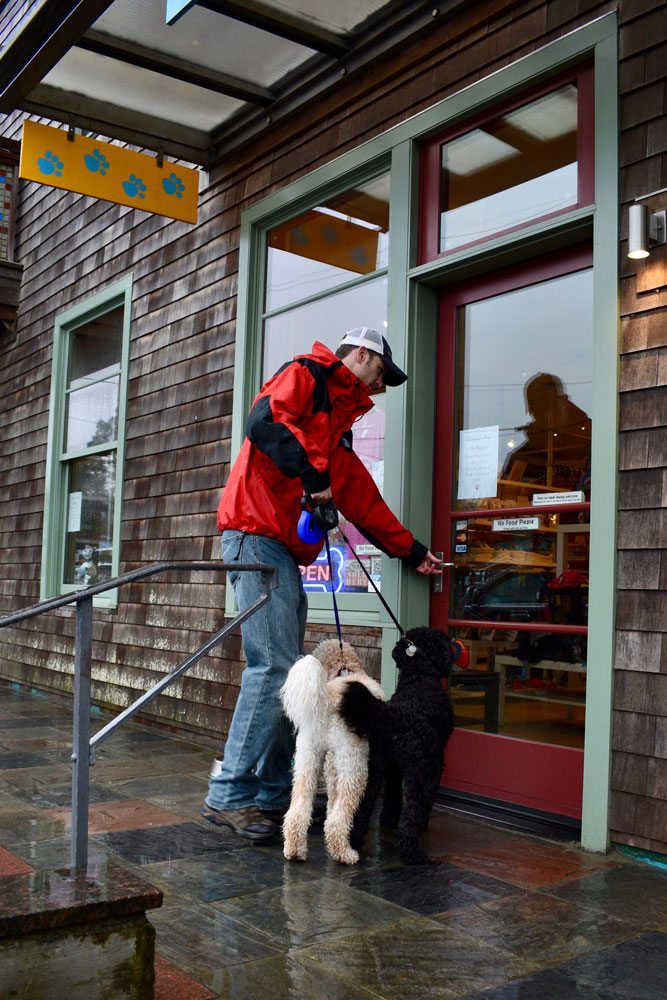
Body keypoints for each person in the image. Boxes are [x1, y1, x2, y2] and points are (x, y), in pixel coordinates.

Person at [202, 326, 443, 842]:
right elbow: (263, 424)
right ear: (361, 356)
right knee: (274, 669)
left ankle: (272, 797)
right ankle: (229, 796)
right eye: (379, 375)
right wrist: (315, 481)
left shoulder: (336, 426)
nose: (378, 388)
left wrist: (412, 551)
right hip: (254, 534)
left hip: (283, 551)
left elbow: (362, 500)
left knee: (294, 676)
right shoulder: (304, 374)